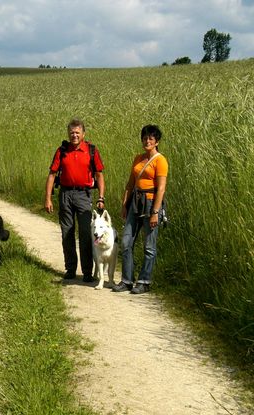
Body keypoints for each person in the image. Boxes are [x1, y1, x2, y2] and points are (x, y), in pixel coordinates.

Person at [45, 118, 106, 282]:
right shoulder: (62, 151)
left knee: (86, 234)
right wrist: (48, 198)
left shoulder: (91, 151)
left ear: (83, 134)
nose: (74, 135)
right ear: (68, 133)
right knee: (67, 233)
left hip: (84, 195)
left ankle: (87, 272)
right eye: (71, 132)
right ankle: (70, 268)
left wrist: (101, 197)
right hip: (65, 194)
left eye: (77, 132)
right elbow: (52, 175)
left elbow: (99, 175)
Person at [112, 124, 168, 294]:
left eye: (151, 138)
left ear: (157, 141)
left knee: (149, 246)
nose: (147, 141)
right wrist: (124, 204)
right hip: (135, 203)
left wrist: (155, 213)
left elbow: (161, 189)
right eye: (144, 138)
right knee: (126, 242)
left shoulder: (160, 160)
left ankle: (144, 281)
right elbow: (130, 184)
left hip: (151, 203)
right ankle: (127, 280)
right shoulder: (137, 159)